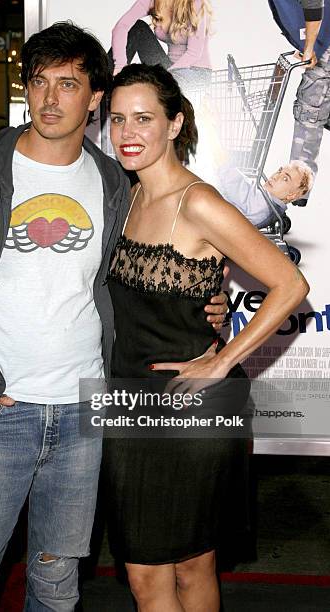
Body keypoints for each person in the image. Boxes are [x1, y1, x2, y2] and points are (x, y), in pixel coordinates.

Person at [0, 22, 228, 612]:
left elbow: (155, 268)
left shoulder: (114, 182)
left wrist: (212, 304)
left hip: (85, 411)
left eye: (68, 83)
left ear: (95, 97)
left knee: (57, 582)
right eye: (39, 82)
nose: (50, 98)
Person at [102, 63, 309, 612]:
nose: (128, 132)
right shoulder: (125, 197)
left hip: (194, 407)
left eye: (144, 118)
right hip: (129, 402)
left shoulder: (200, 203)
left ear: (175, 124)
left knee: (172, 571)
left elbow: (290, 284)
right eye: (118, 119)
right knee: (166, 570)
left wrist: (220, 364)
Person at [268, 0, 329, 206]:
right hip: (323, 42)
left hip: (325, 44)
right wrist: (304, 46)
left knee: (309, 111)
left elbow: (313, 5)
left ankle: (296, 191)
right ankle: (298, 191)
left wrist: (310, 47)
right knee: (312, 110)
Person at [111, 0, 212, 90]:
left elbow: (194, 53)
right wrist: (120, 65)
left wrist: (166, 75)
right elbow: (121, 26)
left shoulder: (195, 3)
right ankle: (101, 85)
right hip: (169, 68)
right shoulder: (153, 1)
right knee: (139, 28)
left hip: (194, 71)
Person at [216, 160, 314, 227]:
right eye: (280, 171)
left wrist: (222, 162)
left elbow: (232, 181)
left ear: (291, 195)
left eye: (285, 179)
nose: (276, 176)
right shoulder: (270, 202)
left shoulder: (261, 205)